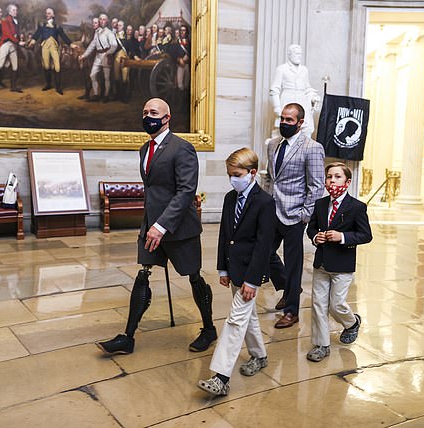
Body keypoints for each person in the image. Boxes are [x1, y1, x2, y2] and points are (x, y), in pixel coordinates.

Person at [97, 98, 216, 355]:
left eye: (153, 112)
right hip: (150, 226)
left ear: (166, 118)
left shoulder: (182, 148)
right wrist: (151, 224)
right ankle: (127, 337)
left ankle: (209, 328)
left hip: (179, 229)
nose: (147, 116)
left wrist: (162, 225)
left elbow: (186, 191)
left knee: (193, 277)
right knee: (143, 274)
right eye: (144, 112)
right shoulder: (144, 149)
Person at [197, 148, 275, 396]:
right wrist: (222, 267)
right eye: (229, 174)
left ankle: (221, 378)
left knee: (235, 320)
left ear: (252, 173)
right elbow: (225, 234)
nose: (232, 179)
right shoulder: (231, 198)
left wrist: (252, 281)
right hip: (233, 269)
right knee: (247, 318)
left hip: (250, 274)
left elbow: (264, 246)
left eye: (237, 174)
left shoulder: (265, 202)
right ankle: (260, 356)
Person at [263, 102, 325, 329]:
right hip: (272, 211)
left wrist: (305, 215)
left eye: (289, 120)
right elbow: (270, 177)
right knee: (265, 254)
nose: (284, 123)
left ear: (300, 123)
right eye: (282, 119)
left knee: (293, 265)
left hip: (295, 215)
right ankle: (290, 289)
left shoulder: (312, 148)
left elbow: (317, 186)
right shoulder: (272, 145)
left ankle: (291, 311)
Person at [305, 162, 372, 362]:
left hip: (342, 265)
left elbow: (365, 235)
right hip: (322, 263)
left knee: (336, 304)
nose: (332, 181)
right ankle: (321, 344)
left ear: (347, 181)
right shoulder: (320, 204)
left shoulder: (357, 207)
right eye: (329, 177)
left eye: (337, 177)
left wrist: (342, 237)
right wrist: (316, 237)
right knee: (318, 303)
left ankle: (351, 322)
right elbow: (311, 228)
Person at [269, 44, 321, 137]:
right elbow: (274, 90)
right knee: (285, 130)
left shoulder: (304, 70)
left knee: (305, 129)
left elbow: (307, 88)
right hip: (288, 99)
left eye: (300, 54)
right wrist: (277, 107)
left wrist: (313, 97)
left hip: (302, 101)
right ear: (289, 55)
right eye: (296, 54)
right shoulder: (282, 69)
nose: (299, 56)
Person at [29, 7, 72, 95]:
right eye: (46, 13)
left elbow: (63, 36)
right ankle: (48, 84)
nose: (47, 15)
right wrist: (33, 41)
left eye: (49, 13)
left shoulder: (57, 26)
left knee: (57, 66)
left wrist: (71, 44)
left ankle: (58, 88)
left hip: (54, 47)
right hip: (44, 46)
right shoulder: (42, 25)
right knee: (46, 66)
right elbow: (37, 34)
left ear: (53, 15)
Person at [80, 13, 117, 102]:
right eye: (100, 19)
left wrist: (107, 53)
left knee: (106, 78)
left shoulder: (109, 33)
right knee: (92, 75)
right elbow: (92, 45)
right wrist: (84, 55)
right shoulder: (97, 32)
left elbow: (114, 45)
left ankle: (106, 95)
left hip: (106, 56)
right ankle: (96, 94)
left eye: (104, 19)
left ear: (107, 21)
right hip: (98, 56)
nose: (102, 21)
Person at [0, 4, 25, 93]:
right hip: (6, 44)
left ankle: (13, 87)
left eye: (16, 10)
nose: (16, 12)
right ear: (9, 11)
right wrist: (18, 42)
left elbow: (15, 33)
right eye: (14, 10)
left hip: (13, 45)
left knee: (15, 65)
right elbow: (8, 34)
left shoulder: (16, 21)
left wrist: (20, 36)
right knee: (0, 64)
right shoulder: (4, 20)